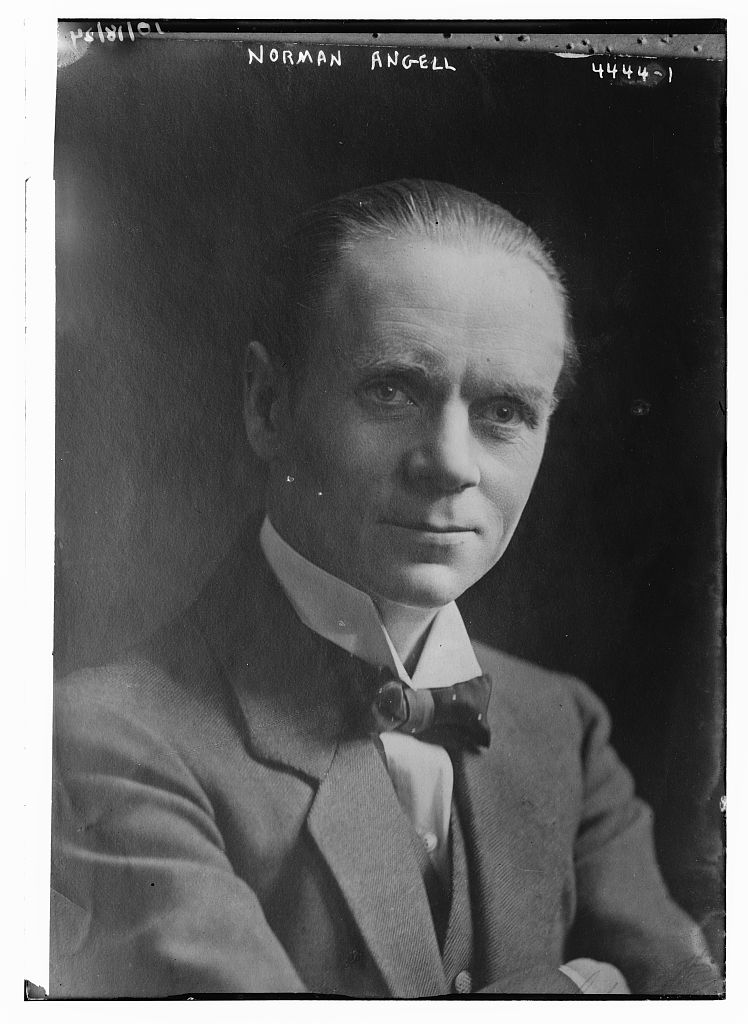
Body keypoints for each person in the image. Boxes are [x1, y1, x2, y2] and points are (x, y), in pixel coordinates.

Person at [50, 179, 721, 997]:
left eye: (505, 410)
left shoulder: (563, 725)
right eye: (391, 390)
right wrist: (580, 991)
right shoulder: (102, 739)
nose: (450, 463)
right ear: (268, 406)